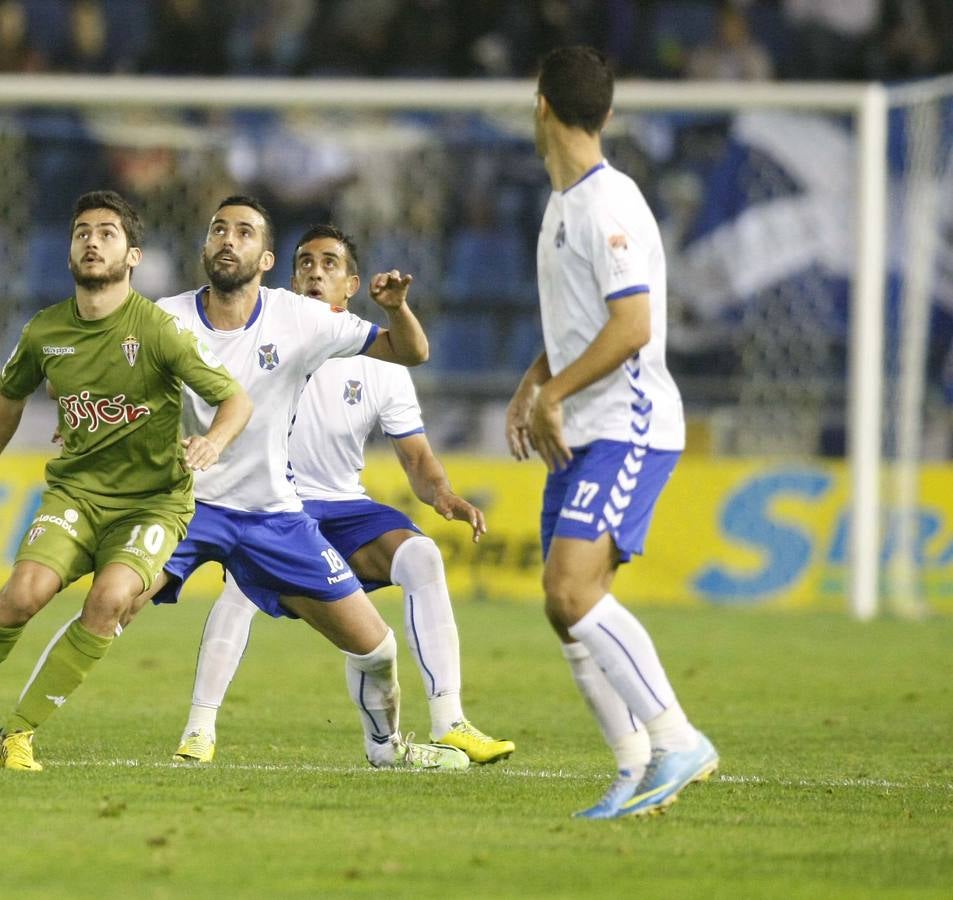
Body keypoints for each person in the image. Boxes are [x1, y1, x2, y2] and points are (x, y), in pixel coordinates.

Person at [0, 190, 251, 771]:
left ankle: (17, 734)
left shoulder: (157, 331)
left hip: (152, 505)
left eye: (108, 233)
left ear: (133, 255)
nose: (92, 241)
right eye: (82, 231)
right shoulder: (44, 332)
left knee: (109, 600)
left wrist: (213, 441)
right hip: (77, 495)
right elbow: (8, 398)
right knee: (18, 599)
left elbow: (234, 400)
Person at [121, 195, 469, 769]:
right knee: (124, 598)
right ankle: (194, 730)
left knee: (403, 595)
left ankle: (436, 726)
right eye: (306, 262)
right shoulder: (250, 318)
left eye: (329, 264)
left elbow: (415, 414)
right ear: (283, 271)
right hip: (222, 501)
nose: (315, 271)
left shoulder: (345, 345)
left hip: (312, 509)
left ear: (352, 283)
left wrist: (399, 310)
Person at [505, 47, 718, 818]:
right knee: (563, 603)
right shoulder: (562, 203)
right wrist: (536, 381)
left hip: (627, 427)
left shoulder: (607, 204)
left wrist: (552, 392)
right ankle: (633, 766)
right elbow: (580, 320)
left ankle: (677, 739)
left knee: (571, 589)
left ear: (540, 105)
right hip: (578, 425)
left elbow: (631, 326)